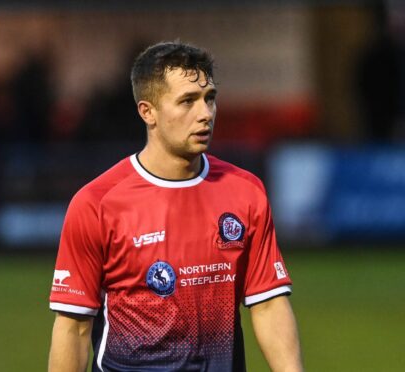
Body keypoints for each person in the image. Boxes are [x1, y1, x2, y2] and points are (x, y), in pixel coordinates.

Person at [48, 41, 303, 372]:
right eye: (187, 101)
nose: (205, 113)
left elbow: (268, 304)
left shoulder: (245, 192)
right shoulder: (97, 203)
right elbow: (74, 328)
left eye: (209, 98)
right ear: (147, 111)